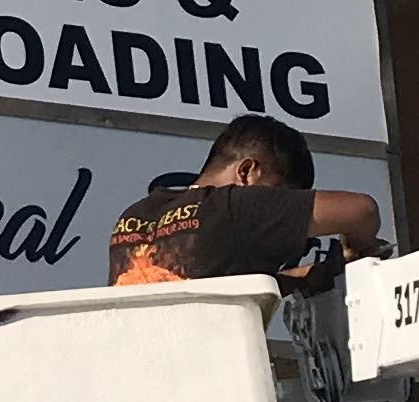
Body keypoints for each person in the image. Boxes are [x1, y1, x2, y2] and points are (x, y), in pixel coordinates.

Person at [106, 116, 381, 287]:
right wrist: (357, 250)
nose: (277, 203)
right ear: (247, 171)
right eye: (278, 194)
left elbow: (198, 291)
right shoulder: (235, 206)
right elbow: (362, 211)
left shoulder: (136, 215)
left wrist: (309, 276)